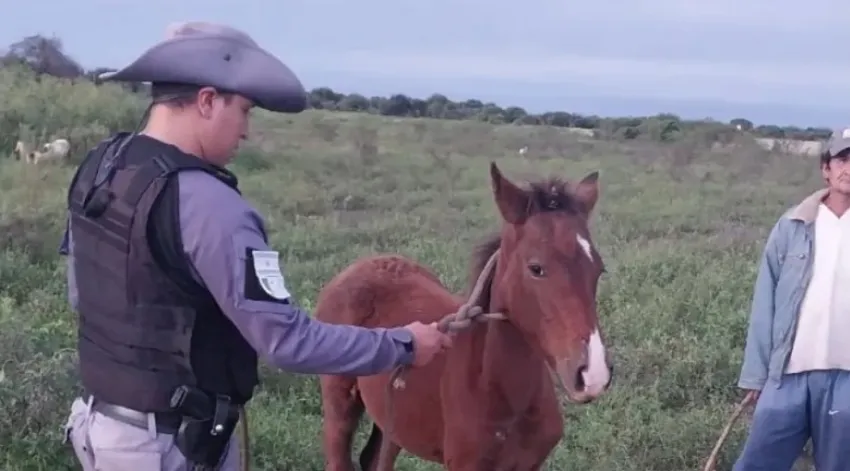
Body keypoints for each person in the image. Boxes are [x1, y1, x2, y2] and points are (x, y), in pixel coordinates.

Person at [58, 21, 452, 471]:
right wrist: (402, 344)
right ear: (207, 101)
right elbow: (287, 342)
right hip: (170, 447)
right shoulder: (212, 205)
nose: (246, 130)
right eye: (244, 110)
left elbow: (82, 291)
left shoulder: (101, 164)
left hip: (101, 427)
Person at [733, 127, 850, 471]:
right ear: (826, 168)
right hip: (789, 375)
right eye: (843, 159)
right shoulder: (793, 225)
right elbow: (765, 299)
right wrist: (756, 376)